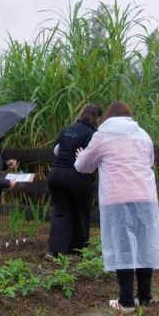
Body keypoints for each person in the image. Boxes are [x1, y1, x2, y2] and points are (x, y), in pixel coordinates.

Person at [73, 101, 159, 312]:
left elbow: (83, 166)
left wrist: (79, 157)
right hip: (145, 197)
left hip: (118, 198)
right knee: (144, 244)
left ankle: (125, 301)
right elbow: (148, 162)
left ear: (108, 117)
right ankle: (145, 297)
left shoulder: (102, 135)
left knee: (123, 246)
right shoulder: (143, 135)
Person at [47, 103, 102, 257]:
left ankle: (55, 251)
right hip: (76, 176)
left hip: (56, 174)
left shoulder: (67, 129)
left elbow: (56, 150)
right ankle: (77, 250)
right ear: (97, 118)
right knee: (81, 212)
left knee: (60, 212)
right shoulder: (92, 134)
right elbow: (91, 157)